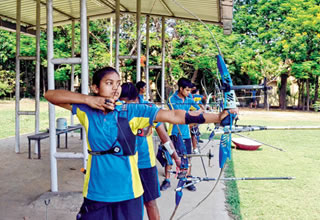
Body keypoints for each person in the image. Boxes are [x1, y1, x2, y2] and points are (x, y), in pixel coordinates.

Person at [44, 67, 237, 220]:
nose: (115, 88)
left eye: (117, 84)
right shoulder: (86, 110)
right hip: (96, 192)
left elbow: (175, 115)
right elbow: (50, 95)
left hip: (129, 193)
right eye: (109, 83)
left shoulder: (132, 110)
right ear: (96, 87)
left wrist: (218, 117)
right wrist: (88, 100)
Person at [119, 82, 180, 220]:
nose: (125, 106)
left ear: (136, 99)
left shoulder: (149, 109)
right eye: (121, 102)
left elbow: (164, 137)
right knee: (128, 204)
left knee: (150, 202)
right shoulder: (117, 108)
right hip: (125, 163)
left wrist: (175, 157)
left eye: (127, 103)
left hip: (145, 163)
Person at [166, 78, 202, 192]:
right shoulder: (172, 99)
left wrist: (191, 120)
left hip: (185, 134)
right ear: (180, 89)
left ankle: (188, 179)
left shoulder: (189, 99)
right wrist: (188, 116)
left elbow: (200, 110)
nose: (188, 93)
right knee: (170, 157)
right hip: (174, 133)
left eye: (190, 90)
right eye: (187, 90)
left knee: (187, 157)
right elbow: (177, 116)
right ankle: (167, 180)